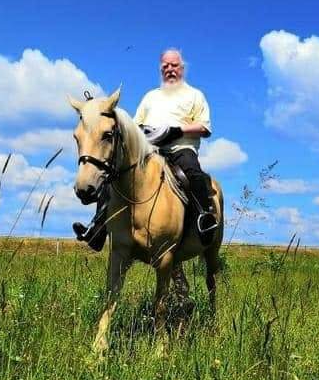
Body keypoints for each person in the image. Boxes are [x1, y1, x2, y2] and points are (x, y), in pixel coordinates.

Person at [73, 48, 218, 250]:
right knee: (113, 175)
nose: (170, 69)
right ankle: (97, 227)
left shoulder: (195, 95)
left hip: (181, 148)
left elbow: (204, 128)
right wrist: (144, 131)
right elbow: (134, 124)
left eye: (174, 65)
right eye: (165, 66)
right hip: (151, 149)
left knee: (192, 173)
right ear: (161, 70)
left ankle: (205, 218)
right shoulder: (151, 97)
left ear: (182, 68)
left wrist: (177, 130)